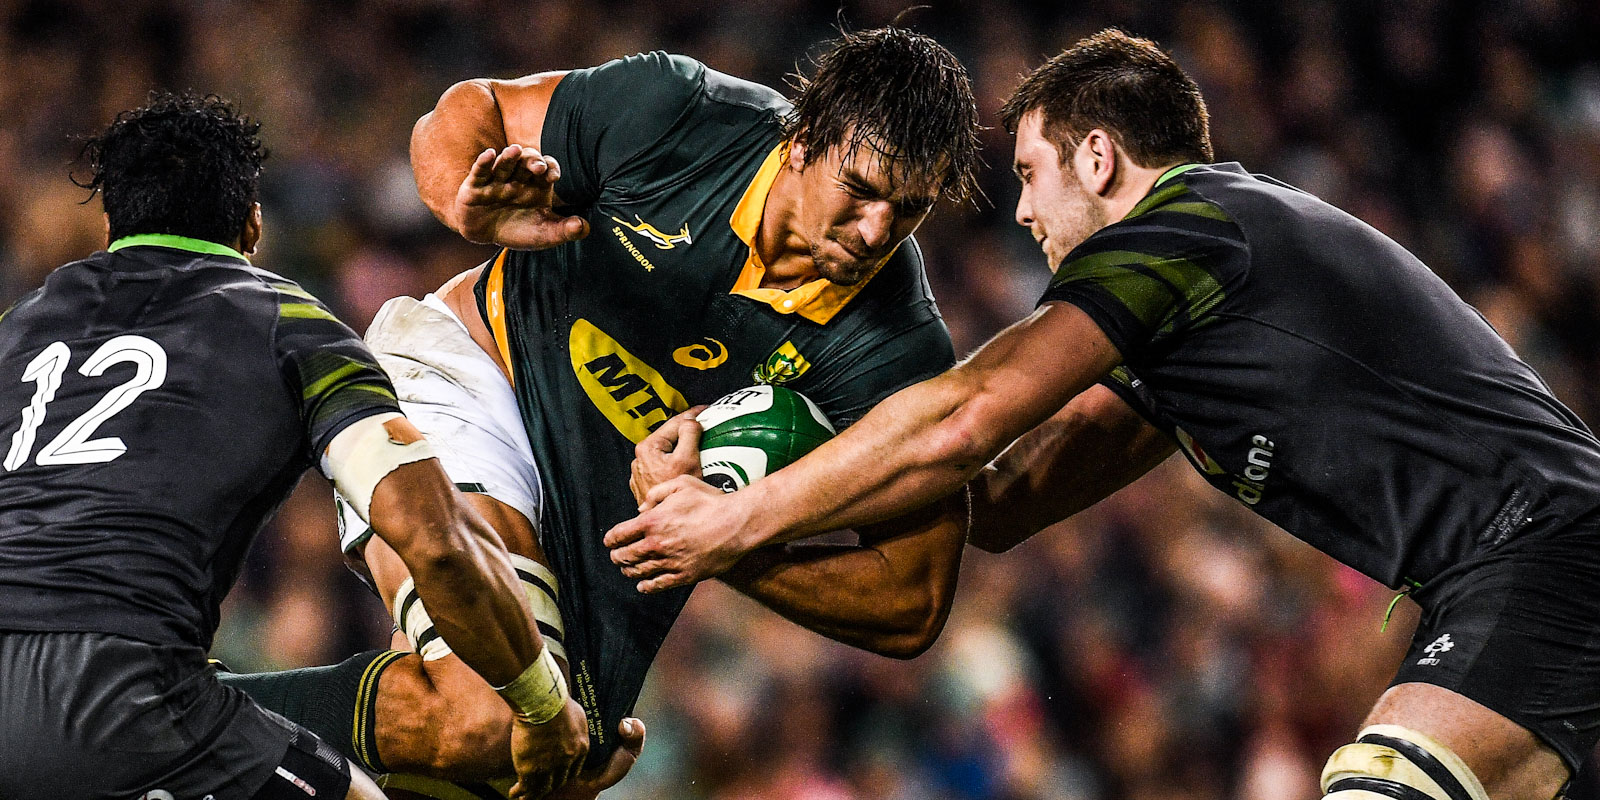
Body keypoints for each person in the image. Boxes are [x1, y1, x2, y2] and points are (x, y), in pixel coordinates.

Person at [607, 29, 1600, 800]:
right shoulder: (1195, 328)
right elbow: (997, 499)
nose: (1025, 214)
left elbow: (968, 414)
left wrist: (738, 518)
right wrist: (768, 469)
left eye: (1030, 175)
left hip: (1546, 549)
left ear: (1096, 157)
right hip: (1526, 569)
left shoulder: (1191, 223)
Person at [226, 24, 980, 792]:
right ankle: (172, 714)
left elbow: (911, 601)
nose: (878, 230)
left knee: (523, 772)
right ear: (804, 139)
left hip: (610, 528)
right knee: (497, 710)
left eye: (909, 209)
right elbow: (465, 112)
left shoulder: (896, 347)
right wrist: (466, 202)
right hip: (476, 380)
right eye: (860, 190)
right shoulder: (681, 116)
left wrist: (730, 541)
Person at [0, 91, 589, 800]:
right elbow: (433, 539)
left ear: (107, 225)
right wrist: (543, 706)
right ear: (253, 225)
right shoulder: (292, 326)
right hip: (128, 698)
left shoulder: (14, 328)